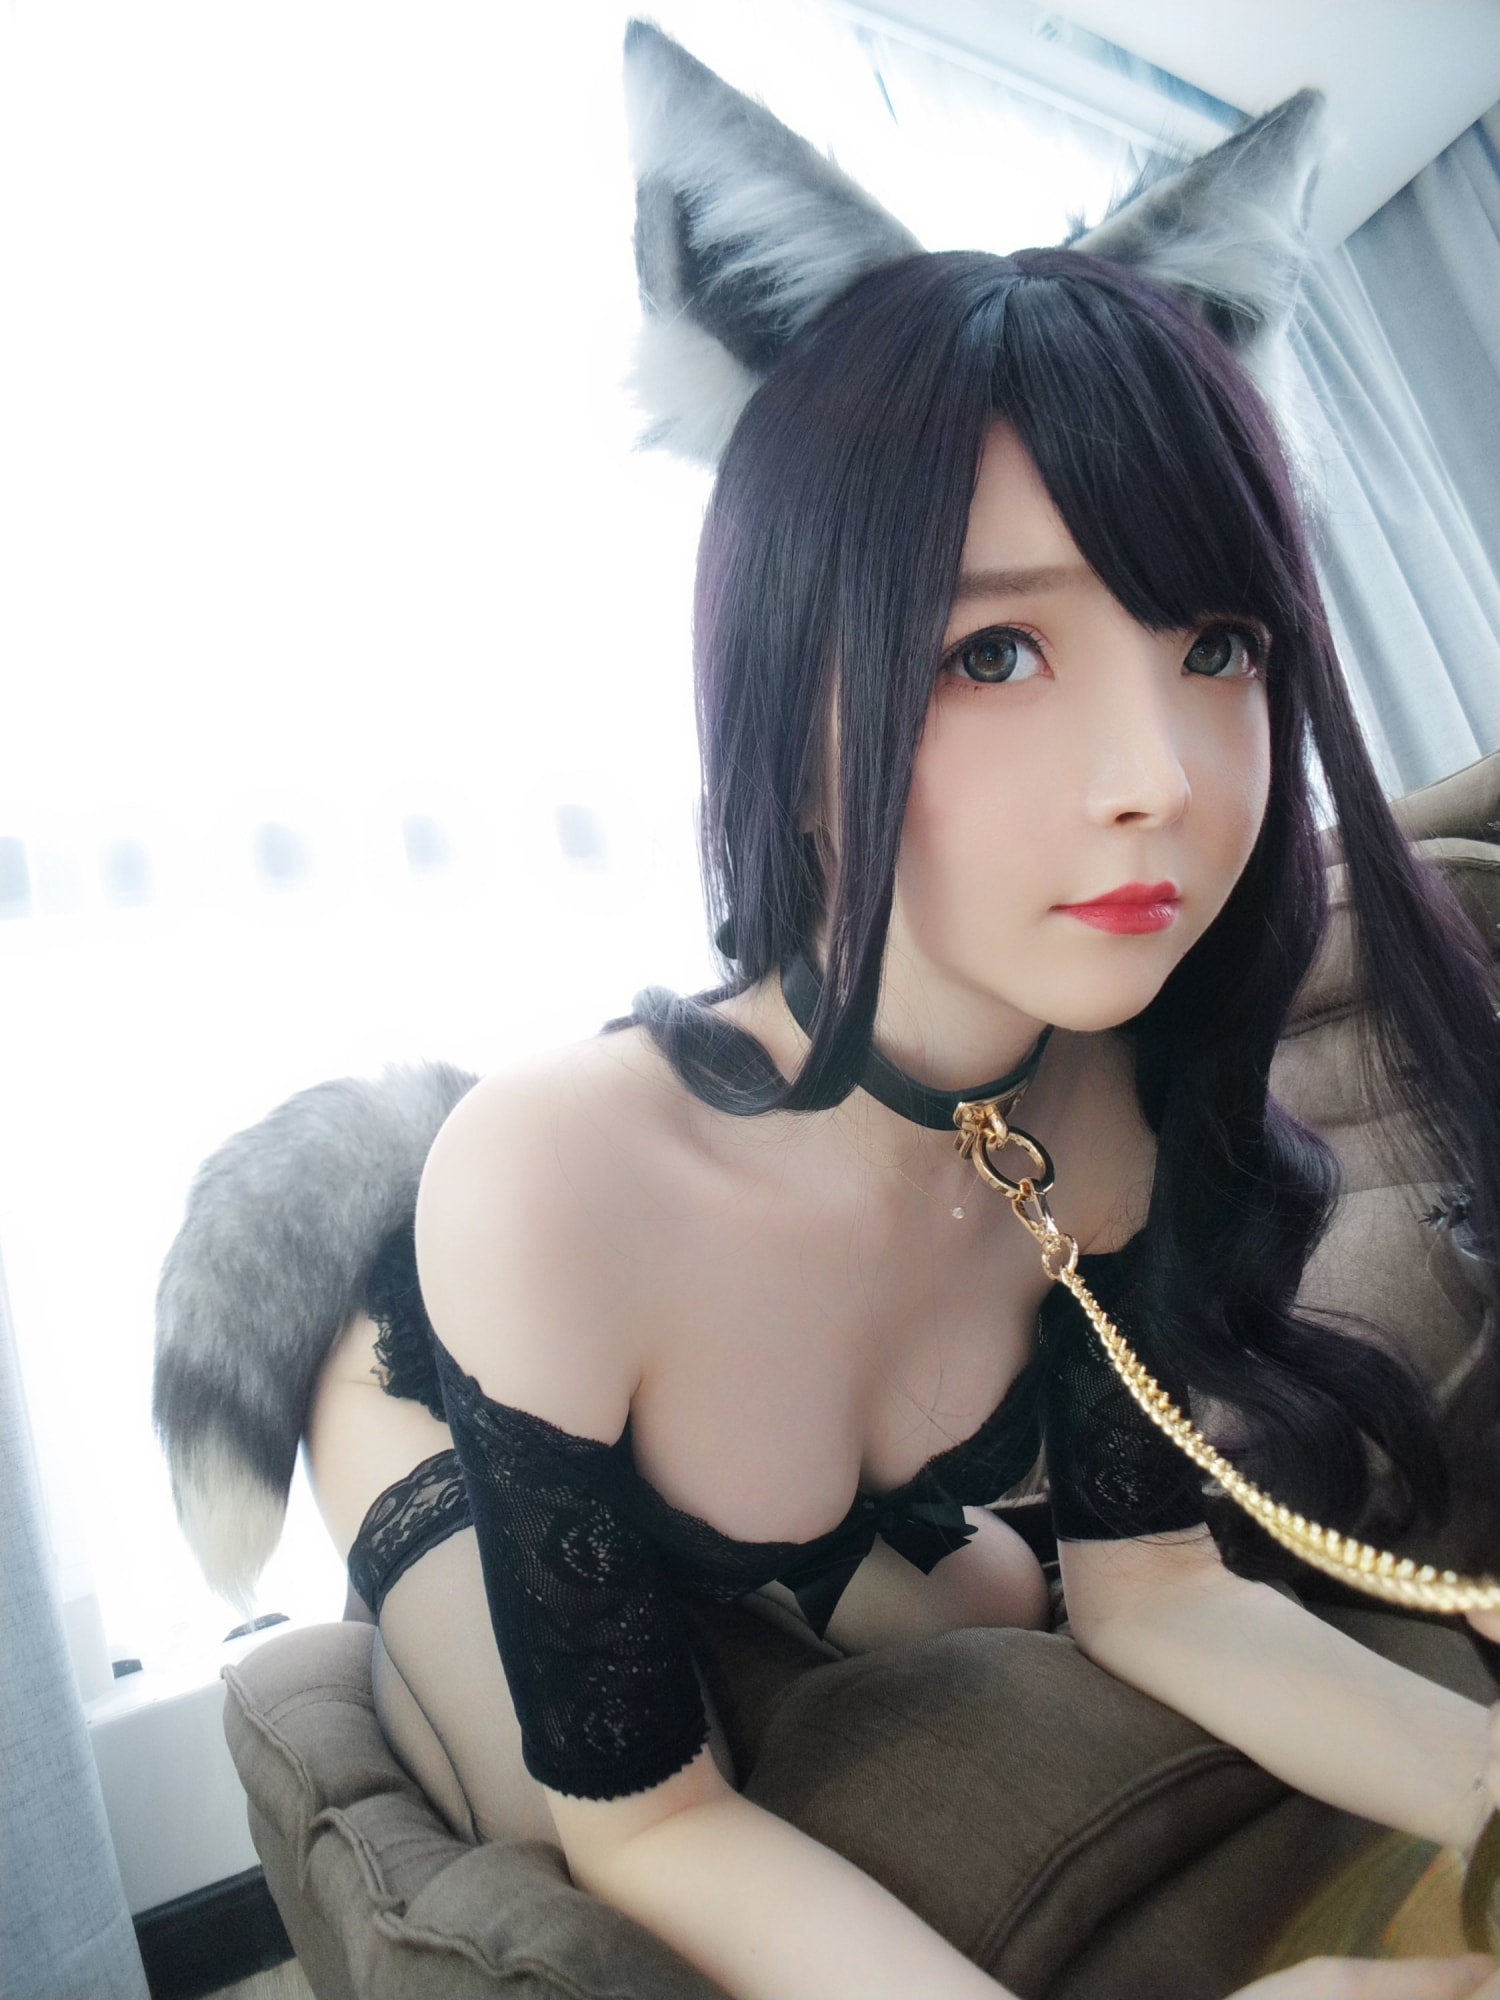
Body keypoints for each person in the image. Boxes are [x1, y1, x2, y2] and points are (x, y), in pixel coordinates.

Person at [157, 25, 1500, 2000]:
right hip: (451, 1372)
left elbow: (1152, 1598)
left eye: (1214, 641)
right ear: (789, 713)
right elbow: (654, 1825)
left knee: (1001, 1599)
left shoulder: (1116, 1104)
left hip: (822, 1476)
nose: (1161, 778)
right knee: (551, 1821)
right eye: (995, 650)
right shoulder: (553, 1181)